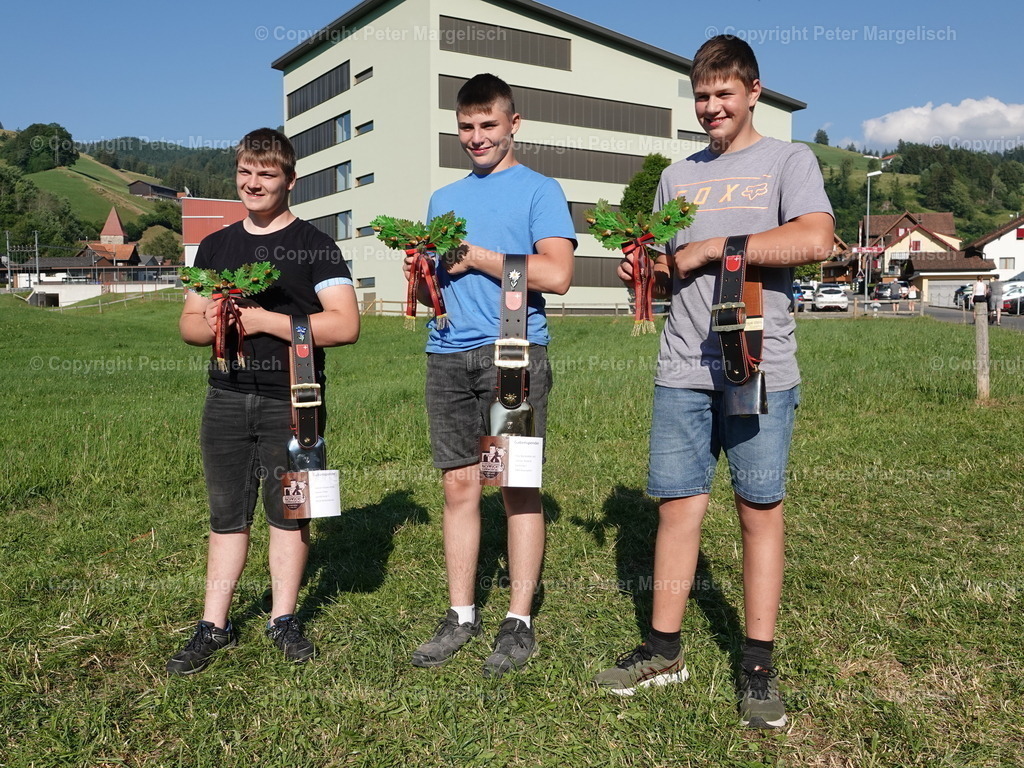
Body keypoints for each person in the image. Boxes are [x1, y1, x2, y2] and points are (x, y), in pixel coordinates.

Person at [593, 36, 834, 729]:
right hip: (683, 366)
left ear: (754, 91)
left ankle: (757, 665)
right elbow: (674, 269)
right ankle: (662, 650)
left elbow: (817, 239)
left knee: (758, 510)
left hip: (759, 365)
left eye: (724, 94)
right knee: (678, 506)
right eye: (702, 96)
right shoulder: (678, 176)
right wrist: (654, 272)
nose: (712, 107)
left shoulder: (789, 161)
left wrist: (708, 250)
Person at [168, 128, 360, 675]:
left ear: (290, 181)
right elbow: (186, 324)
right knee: (227, 514)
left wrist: (264, 321)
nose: (253, 183)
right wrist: (208, 323)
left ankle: (283, 618)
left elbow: (345, 324)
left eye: (266, 174)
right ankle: (215, 625)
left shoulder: (316, 246)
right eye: (245, 173)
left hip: (293, 401)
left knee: (290, 513)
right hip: (225, 398)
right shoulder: (215, 246)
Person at [406, 73, 575, 678]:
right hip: (448, 354)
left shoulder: (541, 191)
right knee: (458, 486)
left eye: (488, 126)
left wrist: (474, 256)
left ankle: (519, 620)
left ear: (513, 124)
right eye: (466, 128)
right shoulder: (441, 199)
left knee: (517, 486)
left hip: (513, 354)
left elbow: (556, 274)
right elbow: (437, 285)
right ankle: (461, 614)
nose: (476, 138)